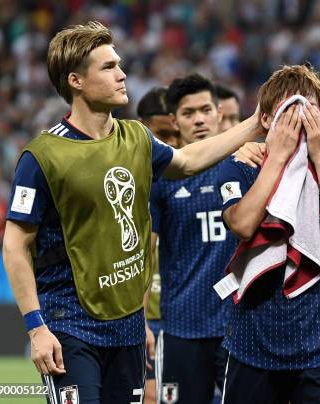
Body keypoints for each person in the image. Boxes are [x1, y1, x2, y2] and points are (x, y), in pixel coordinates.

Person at [2, 21, 259, 403]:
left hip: (128, 325)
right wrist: (35, 327)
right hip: (69, 322)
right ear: (75, 80)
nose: (122, 74)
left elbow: (187, 160)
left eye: (119, 64)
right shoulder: (42, 156)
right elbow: (14, 245)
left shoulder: (136, 137)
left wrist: (256, 122)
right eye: (108, 67)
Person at [216, 64, 320, 404]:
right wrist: (277, 158)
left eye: (310, 110)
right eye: (289, 109)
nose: (300, 119)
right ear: (267, 120)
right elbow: (241, 224)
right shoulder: (240, 166)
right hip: (250, 348)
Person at [150, 73, 238, 404]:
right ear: (174, 121)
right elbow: (146, 253)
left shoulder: (245, 167)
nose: (199, 119)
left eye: (205, 110)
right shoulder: (162, 179)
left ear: (219, 112)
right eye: (188, 113)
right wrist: (143, 322)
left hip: (238, 326)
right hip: (182, 328)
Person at [136, 86, 180, 404]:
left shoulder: (195, 177)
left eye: (175, 134)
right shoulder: (126, 184)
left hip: (183, 318)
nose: (171, 145)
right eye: (162, 134)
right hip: (142, 318)